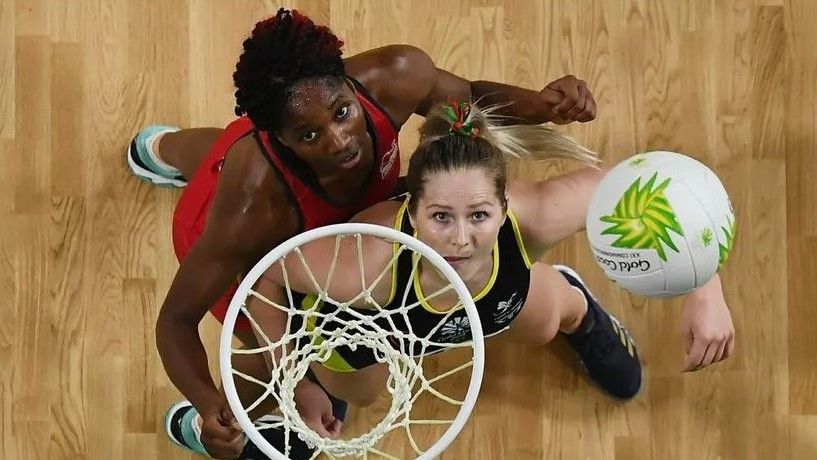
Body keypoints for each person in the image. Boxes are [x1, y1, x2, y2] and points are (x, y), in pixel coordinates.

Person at [126, 8, 599, 459]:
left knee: (218, 148)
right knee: (270, 344)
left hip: (343, 208)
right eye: (309, 135)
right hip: (249, 247)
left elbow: (470, 92)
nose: (339, 141)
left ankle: (158, 146)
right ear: (276, 138)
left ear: (350, 85)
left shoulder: (397, 74)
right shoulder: (252, 209)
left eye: (341, 112)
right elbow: (175, 321)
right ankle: (204, 419)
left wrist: (539, 105)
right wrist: (216, 403)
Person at [253, 99, 735, 410]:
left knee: (549, 319)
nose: (460, 239)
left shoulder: (537, 214)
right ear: (412, 211)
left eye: (479, 216)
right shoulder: (360, 264)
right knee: (360, 395)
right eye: (441, 216)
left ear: (504, 209)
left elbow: (663, 189)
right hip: (376, 325)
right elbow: (264, 278)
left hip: (493, 297)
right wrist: (295, 381)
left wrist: (703, 284)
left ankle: (580, 312)